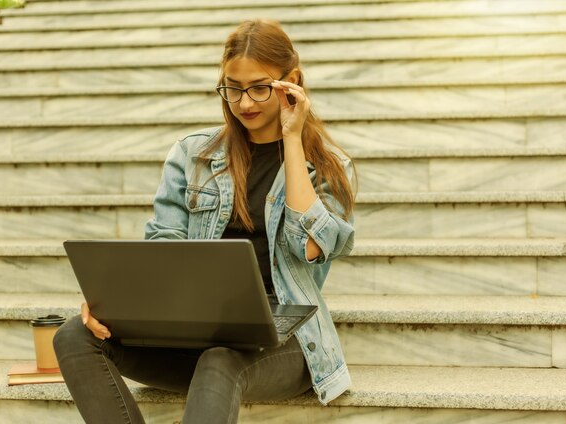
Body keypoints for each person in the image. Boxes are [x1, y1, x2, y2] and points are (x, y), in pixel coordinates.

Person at [53, 19, 356, 423]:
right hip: (193, 326)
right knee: (75, 334)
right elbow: (164, 244)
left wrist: (292, 137)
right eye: (232, 88)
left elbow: (311, 246)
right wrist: (120, 304)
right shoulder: (192, 155)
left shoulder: (330, 168)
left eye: (260, 87)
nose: (244, 103)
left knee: (220, 359)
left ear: (292, 83)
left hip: (285, 337)